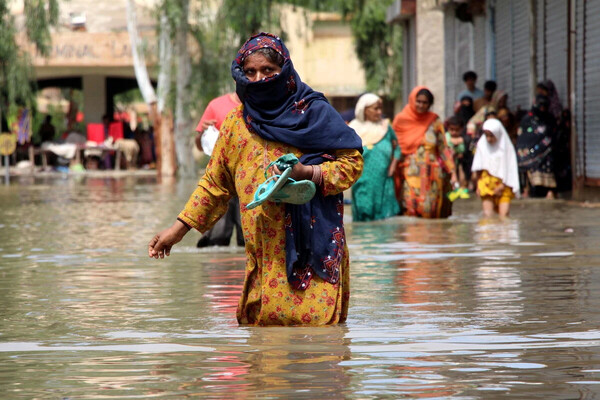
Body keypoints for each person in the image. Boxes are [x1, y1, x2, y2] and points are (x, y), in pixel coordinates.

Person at [148, 33, 364, 326]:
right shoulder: (237, 123)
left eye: (268, 71)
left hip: (312, 250)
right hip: (263, 253)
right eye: (250, 72)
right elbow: (214, 185)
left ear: (284, 71)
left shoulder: (313, 112)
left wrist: (308, 173)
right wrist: (177, 230)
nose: (259, 79)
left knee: (318, 351)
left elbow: (351, 162)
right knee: (265, 345)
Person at [392, 86, 457, 218]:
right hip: (409, 172)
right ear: (412, 100)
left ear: (430, 104)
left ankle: (429, 238)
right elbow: (394, 147)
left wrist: (452, 171)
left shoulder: (434, 121)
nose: (421, 105)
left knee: (430, 211)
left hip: (432, 175)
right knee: (409, 208)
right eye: (418, 101)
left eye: (425, 102)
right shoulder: (401, 120)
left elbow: (443, 148)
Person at [194, 92, 245, 248]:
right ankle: (219, 270)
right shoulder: (215, 105)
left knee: (251, 239)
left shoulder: (264, 105)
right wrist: (202, 133)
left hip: (251, 180)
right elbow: (199, 145)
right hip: (221, 178)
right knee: (217, 239)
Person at [349, 93, 400, 221]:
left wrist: (392, 167)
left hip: (383, 177)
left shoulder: (385, 126)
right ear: (364, 110)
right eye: (375, 109)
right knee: (363, 208)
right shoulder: (354, 128)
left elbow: (397, 148)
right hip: (362, 177)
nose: (379, 112)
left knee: (383, 212)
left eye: (380, 109)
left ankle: (382, 239)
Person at [472, 119, 520, 218]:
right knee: (488, 217)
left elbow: (511, 168)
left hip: (504, 185)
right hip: (486, 184)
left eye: (491, 135)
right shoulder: (482, 144)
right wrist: (477, 185)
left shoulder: (507, 147)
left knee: (504, 216)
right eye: (486, 135)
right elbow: (478, 167)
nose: (488, 139)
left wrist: (502, 185)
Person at [516, 95, 557, 199]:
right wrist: (530, 150)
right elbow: (522, 137)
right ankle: (527, 189)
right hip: (528, 153)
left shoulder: (549, 119)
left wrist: (543, 145)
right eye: (540, 106)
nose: (542, 108)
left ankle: (550, 191)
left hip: (546, 151)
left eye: (545, 106)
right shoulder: (527, 119)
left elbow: (552, 134)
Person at [445, 116, 470, 196]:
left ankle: (462, 189)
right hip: (448, 164)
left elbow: (466, 151)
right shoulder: (446, 137)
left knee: (462, 174)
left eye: (457, 130)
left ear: (462, 129)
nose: (454, 132)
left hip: (460, 163)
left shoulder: (464, 139)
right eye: (451, 130)